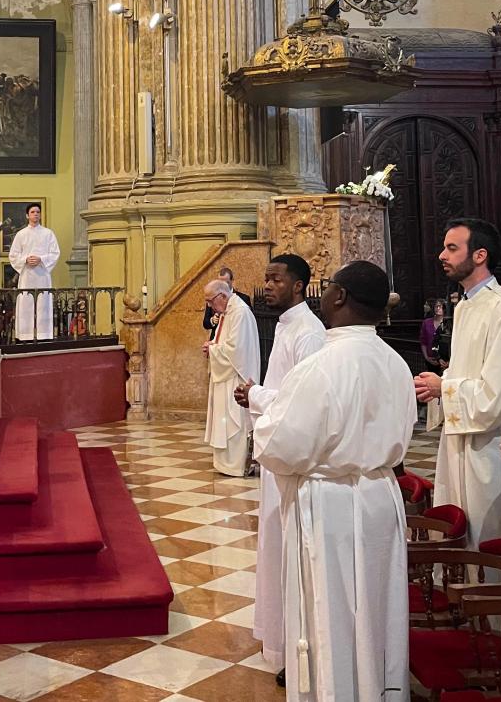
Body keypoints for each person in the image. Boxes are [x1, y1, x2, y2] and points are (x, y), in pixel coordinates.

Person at [252, 260, 416, 701]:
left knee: (333, 612)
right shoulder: (395, 362)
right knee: (378, 607)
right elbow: (403, 431)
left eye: (328, 289)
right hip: (382, 496)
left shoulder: (321, 366)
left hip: (332, 504)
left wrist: (263, 422)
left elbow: (282, 444)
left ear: (339, 297)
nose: (321, 296)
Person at [415, 217, 501, 545]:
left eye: (451, 248)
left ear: (480, 255)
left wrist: (444, 387)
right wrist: (442, 384)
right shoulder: (469, 306)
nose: (442, 255)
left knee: (486, 538)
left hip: (488, 448)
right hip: (460, 441)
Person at [233, 254, 326, 677]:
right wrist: (258, 395)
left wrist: (256, 396)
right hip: (277, 457)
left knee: (293, 556)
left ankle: (299, 649)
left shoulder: (308, 333)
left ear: (299, 286)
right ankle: (284, 642)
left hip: (293, 461)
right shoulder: (288, 326)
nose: (266, 286)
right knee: (276, 549)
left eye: (275, 279)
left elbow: (301, 406)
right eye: (266, 278)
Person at [202, 278, 260, 476]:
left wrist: (214, 350)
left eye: (210, 301)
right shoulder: (227, 311)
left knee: (234, 420)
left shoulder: (240, 312)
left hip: (235, 376)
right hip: (225, 375)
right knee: (224, 419)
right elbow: (223, 341)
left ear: (222, 296)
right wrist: (212, 346)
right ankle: (224, 463)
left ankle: (236, 464)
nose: (209, 306)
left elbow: (237, 350)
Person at [7, 203, 60, 340]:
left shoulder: (48, 233)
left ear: (40, 214)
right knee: (26, 304)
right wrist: (25, 260)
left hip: (42, 275)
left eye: (37, 212)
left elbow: (55, 253)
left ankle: (44, 334)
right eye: (32, 212)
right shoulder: (21, 234)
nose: (35, 214)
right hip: (27, 276)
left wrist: (41, 259)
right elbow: (13, 255)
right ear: (27, 215)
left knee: (43, 304)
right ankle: (26, 335)